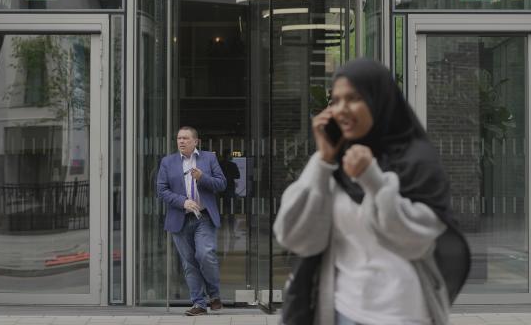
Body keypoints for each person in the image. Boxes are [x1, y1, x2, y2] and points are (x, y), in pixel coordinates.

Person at [274, 58, 470, 325]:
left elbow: (416, 241)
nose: (342, 109)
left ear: (378, 100)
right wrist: (323, 161)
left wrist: (372, 180)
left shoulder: (417, 161)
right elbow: (295, 236)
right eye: (336, 100)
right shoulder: (335, 162)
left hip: (401, 312)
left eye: (354, 98)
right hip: (342, 310)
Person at [156, 126, 227, 316]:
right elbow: (161, 190)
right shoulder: (167, 162)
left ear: (196, 141)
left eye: (186, 138)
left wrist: (202, 178)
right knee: (189, 264)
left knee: (205, 255)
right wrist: (183, 202)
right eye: (179, 138)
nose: (181, 141)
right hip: (180, 219)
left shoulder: (208, 159)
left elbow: (222, 184)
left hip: (203, 217)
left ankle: (214, 293)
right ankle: (199, 304)